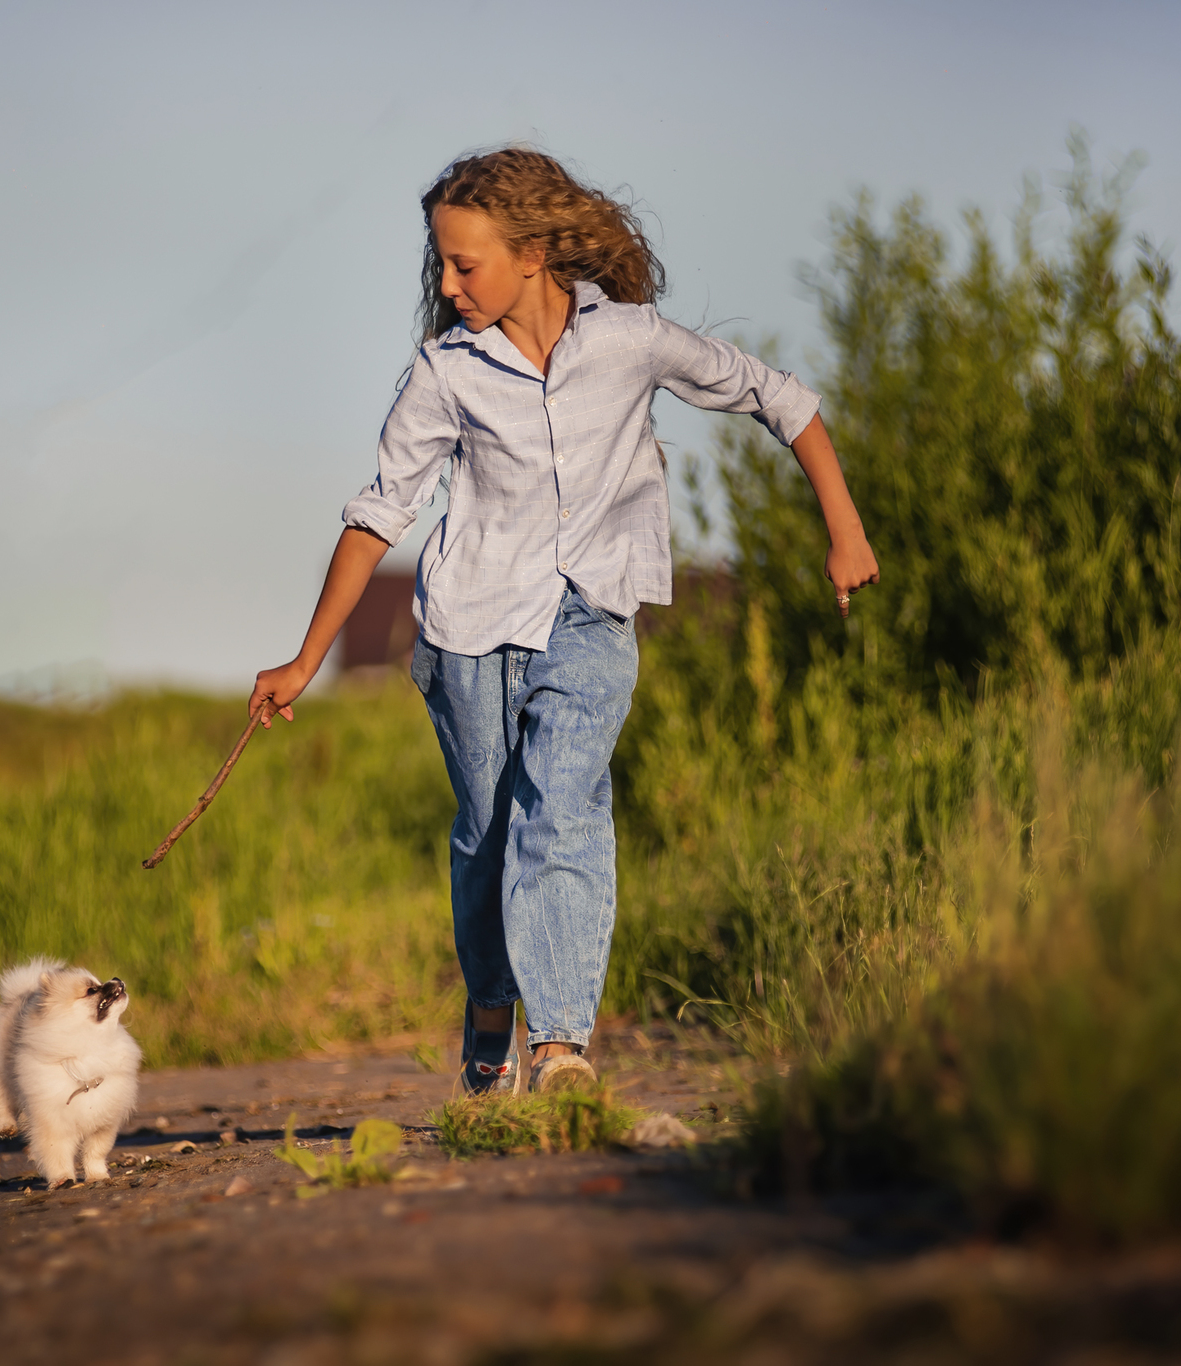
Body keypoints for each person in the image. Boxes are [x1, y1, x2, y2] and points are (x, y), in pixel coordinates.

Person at [249, 148, 878, 1096]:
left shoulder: (632, 340)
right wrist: (304, 661)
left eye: (468, 265)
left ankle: (559, 1048)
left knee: (563, 808)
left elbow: (777, 397)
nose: (449, 284)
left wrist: (844, 526)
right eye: (443, 265)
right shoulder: (445, 372)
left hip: (593, 610)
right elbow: (380, 512)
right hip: (469, 628)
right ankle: (493, 1001)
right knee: (488, 833)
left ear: (535, 253)